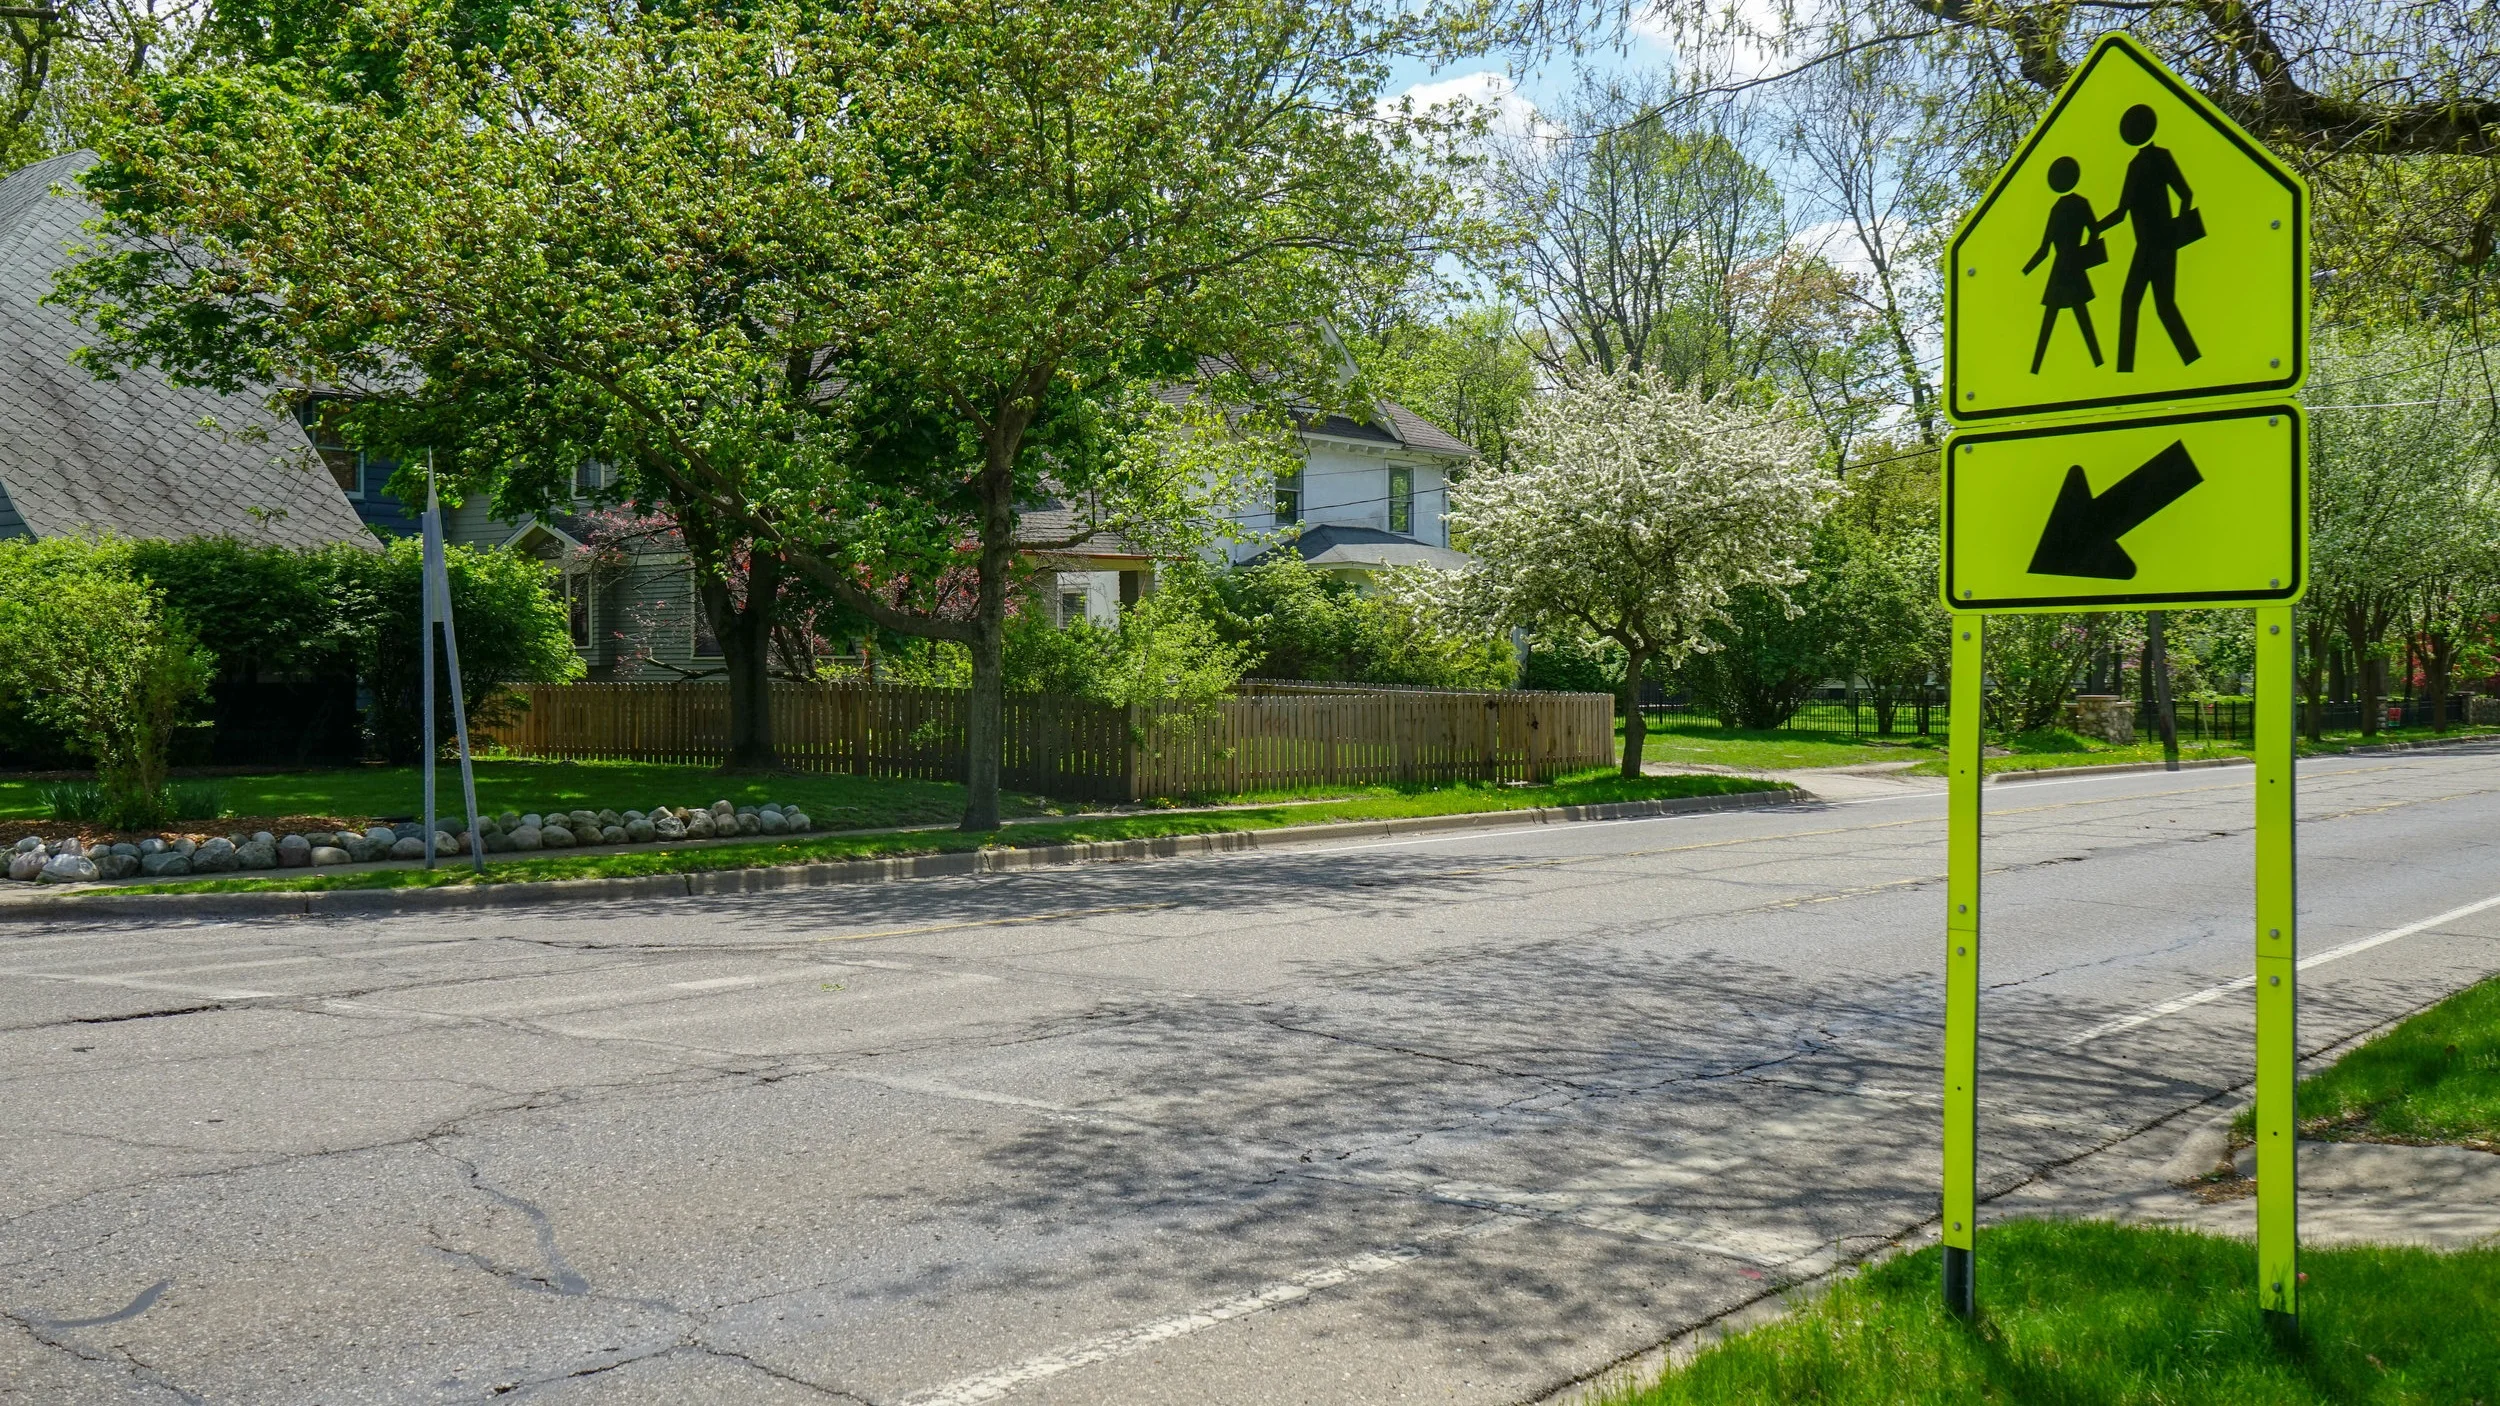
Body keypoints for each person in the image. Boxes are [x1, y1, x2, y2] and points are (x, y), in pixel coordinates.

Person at [2097, 103, 2203, 372]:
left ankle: (2193, 362)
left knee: (2162, 306)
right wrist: (2097, 227)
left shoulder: (2160, 157)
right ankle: (2125, 371)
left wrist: (2175, 232)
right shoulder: (2135, 165)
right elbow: (2122, 211)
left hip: (2161, 245)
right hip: (2145, 247)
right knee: (2132, 302)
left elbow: (2186, 193)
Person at [2021, 155, 2106, 374]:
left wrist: (2025, 271)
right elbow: (2094, 230)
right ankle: (2098, 362)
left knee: (2061, 318)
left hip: (2061, 269)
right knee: (2075, 316)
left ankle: (2036, 368)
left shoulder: (2057, 209)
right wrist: (2086, 252)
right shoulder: (2078, 204)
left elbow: (2044, 249)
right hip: (2071, 267)